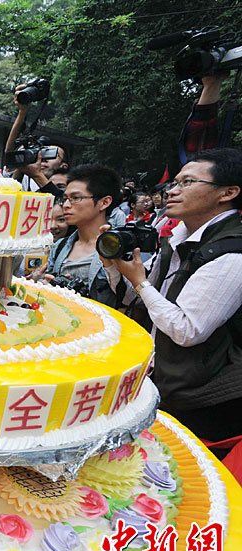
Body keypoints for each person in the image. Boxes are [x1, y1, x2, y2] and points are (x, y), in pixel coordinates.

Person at [103, 148, 242, 442]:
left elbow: (186, 330)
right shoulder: (178, 238)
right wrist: (114, 265)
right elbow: (136, 299)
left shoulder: (233, 252)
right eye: (174, 183)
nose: (172, 191)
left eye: (187, 182)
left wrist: (140, 283)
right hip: (162, 379)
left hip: (203, 398)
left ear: (228, 192)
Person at [41, 163, 124, 307]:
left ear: (104, 202)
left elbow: (130, 298)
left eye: (76, 198)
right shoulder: (59, 246)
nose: (66, 205)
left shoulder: (119, 248)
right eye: (65, 198)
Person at [4, 84, 67, 194]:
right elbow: (9, 154)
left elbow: (59, 200)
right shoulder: (26, 180)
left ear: (63, 166)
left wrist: (37, 175)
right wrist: (22, 111)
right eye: (42, 153)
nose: (44, 158)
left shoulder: (68, 185)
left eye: (51, 154)